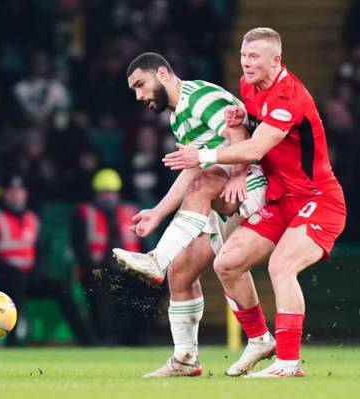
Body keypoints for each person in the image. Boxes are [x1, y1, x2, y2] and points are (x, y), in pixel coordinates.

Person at [163, 27, 347, 378]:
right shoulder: (250, 86)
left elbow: (257, 148)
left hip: (318, 199)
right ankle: (260, 339)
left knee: (281, 267)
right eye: (244, 55)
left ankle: (289, 363)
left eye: (254, 57)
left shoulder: (289, 96)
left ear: (276, 60)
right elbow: (250, 131)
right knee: (227, 264)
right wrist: (241, 125)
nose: (246, 63)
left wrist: (202, 155)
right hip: (281, 199)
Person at [113, 52, 270, 377]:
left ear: (163, 73)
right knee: (181, 272)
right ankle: (186, 359)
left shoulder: (200, 97)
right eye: (134, 91)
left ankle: (157, 258)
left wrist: (239, 175)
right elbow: (193, 170)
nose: (139, 95)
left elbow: (239, 134)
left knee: (202, 186)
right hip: (218, 188)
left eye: (141, 85)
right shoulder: (177, 118)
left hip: (249, 185)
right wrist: (157, 213)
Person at [0, 175, 94, 346]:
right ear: (4, 194)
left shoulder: (32, 219)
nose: (16, 195)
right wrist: (12, 270)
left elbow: (40, 252)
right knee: (17, 280)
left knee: (60, 286)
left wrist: (38, 270)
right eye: (11, 192)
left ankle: (86, 338)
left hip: (26, 276)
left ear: (25, 194)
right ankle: (12, 339)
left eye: (20, 191)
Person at [71, 168, 165, 346]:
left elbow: (144, 246)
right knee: (98, 286)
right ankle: (106, 338)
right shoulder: (84, 213)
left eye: (111, 192)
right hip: (96, 270)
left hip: (128, 271)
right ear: (96, 194)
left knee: (157, 285)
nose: (108, 197)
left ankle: (134, 335)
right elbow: (80, 248)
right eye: (104, 192)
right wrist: (95, 269)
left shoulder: (131, 212)